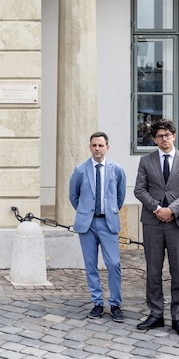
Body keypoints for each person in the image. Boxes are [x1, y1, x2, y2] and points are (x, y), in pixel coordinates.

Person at [133, 119, 179, 337]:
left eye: (168, 135)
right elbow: (139, 190)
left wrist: (172, 210)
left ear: (174, 136)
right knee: (153, 270)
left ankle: (178, 317)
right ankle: (156, 313)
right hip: (153, 222)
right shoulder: (146, 160)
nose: (164, 139)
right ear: (154, 139)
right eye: (160, 136)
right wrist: (158, 208)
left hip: (178, 222)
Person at [68, 132, 127, 322]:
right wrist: (86, 211)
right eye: (94, 145)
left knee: (113, 264)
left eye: (101, 146)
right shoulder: (80, 170)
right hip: (88, 223)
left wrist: (108, 211)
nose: (97, 149)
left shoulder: (117, 170)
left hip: (107, 222)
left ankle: (116, 303)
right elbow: (73, 196)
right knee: (91, 265)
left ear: (107, 148)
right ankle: (97, 302)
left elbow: (120, 196)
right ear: (90, 147)